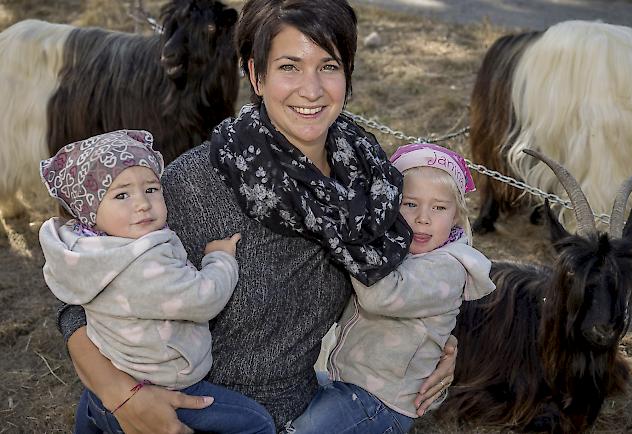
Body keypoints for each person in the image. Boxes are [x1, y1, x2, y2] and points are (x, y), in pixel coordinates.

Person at [56, 1, 458, 433]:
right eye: (289, 66)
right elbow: (78, 303)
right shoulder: (198, 182)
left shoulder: (368, 180)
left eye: (329, 66)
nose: (312, 89)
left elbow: (421, 273)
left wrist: (439, 342)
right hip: (191, 412)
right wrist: (121, 397)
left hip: (299, 410)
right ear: (255, 74)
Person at [39, 130, 275, 434]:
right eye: (121, 195)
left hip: (101, 389)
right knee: (256, 424)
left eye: (151, 189)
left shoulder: (86, 251)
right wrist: (221, 260)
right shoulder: (142, 263)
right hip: (164, 384)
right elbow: (203, 298)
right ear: (90, 212)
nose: (142, 204)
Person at [288, 143, 496, 433]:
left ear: (457, 216)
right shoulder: (402, 251)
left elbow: (381, 296)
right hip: (352, 383)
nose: (423, 217)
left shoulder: (448, 269)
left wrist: (355, 239)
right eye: (410, 204)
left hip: (381, 403)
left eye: (439, 207)